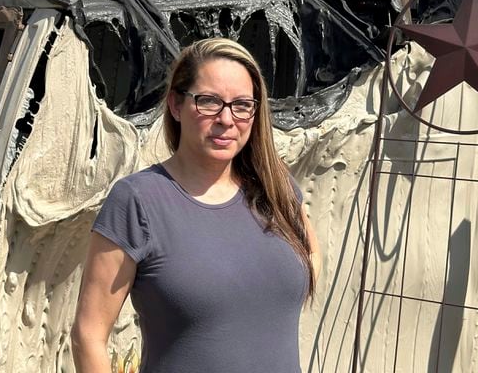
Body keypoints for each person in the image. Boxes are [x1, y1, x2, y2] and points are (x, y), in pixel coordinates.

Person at [72, 38, 321, 373]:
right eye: (209, 102)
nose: (226, 119)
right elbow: (88, 334)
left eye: (241, 105)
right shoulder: (138, 201)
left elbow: (310, 260)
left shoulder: (278, 190)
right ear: (176, 104)